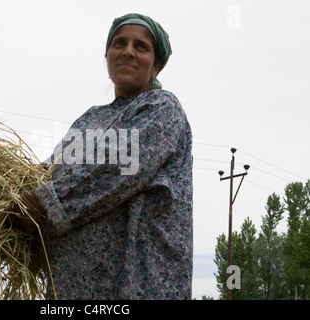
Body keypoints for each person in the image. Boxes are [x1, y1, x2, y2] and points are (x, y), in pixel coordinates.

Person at [11, 13, 193, 300]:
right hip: (71, 286)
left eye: (141, 46)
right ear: (108, 55)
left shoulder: (161, 107)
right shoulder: (90, 118)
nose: (128, 51)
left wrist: (43, 202)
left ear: (156, 66)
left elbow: (120, 169)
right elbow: (51, 171)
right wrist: (4, 191)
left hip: (137, 285)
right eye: (119, 43)